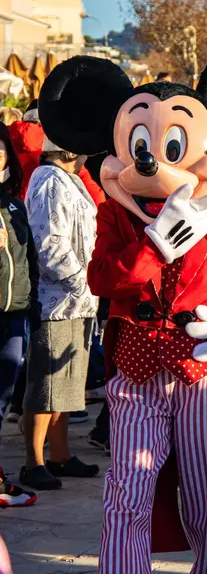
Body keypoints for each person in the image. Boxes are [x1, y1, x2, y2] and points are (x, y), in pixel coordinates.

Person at [38, 54, 207, 573]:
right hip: (137, 372)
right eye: (139, 149)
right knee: (128, 492)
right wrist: (153, 247)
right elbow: (102, 281)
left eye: (173, 148)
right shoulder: (117, 214)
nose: (152, 165)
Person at [20, 135, 99, 491]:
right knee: (46, 385)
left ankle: (60, 454)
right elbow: (49, 244)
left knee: (67, 386)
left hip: (78, 300)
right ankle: (33, 461)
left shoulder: (69, 179)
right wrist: (83, 283)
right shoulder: (49, 181)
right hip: (56, 300)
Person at [0, 122, 39, 508]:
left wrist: (34, 305)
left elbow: (29, 259)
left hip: (15, 312)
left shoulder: (14, 203)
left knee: (4, 393)